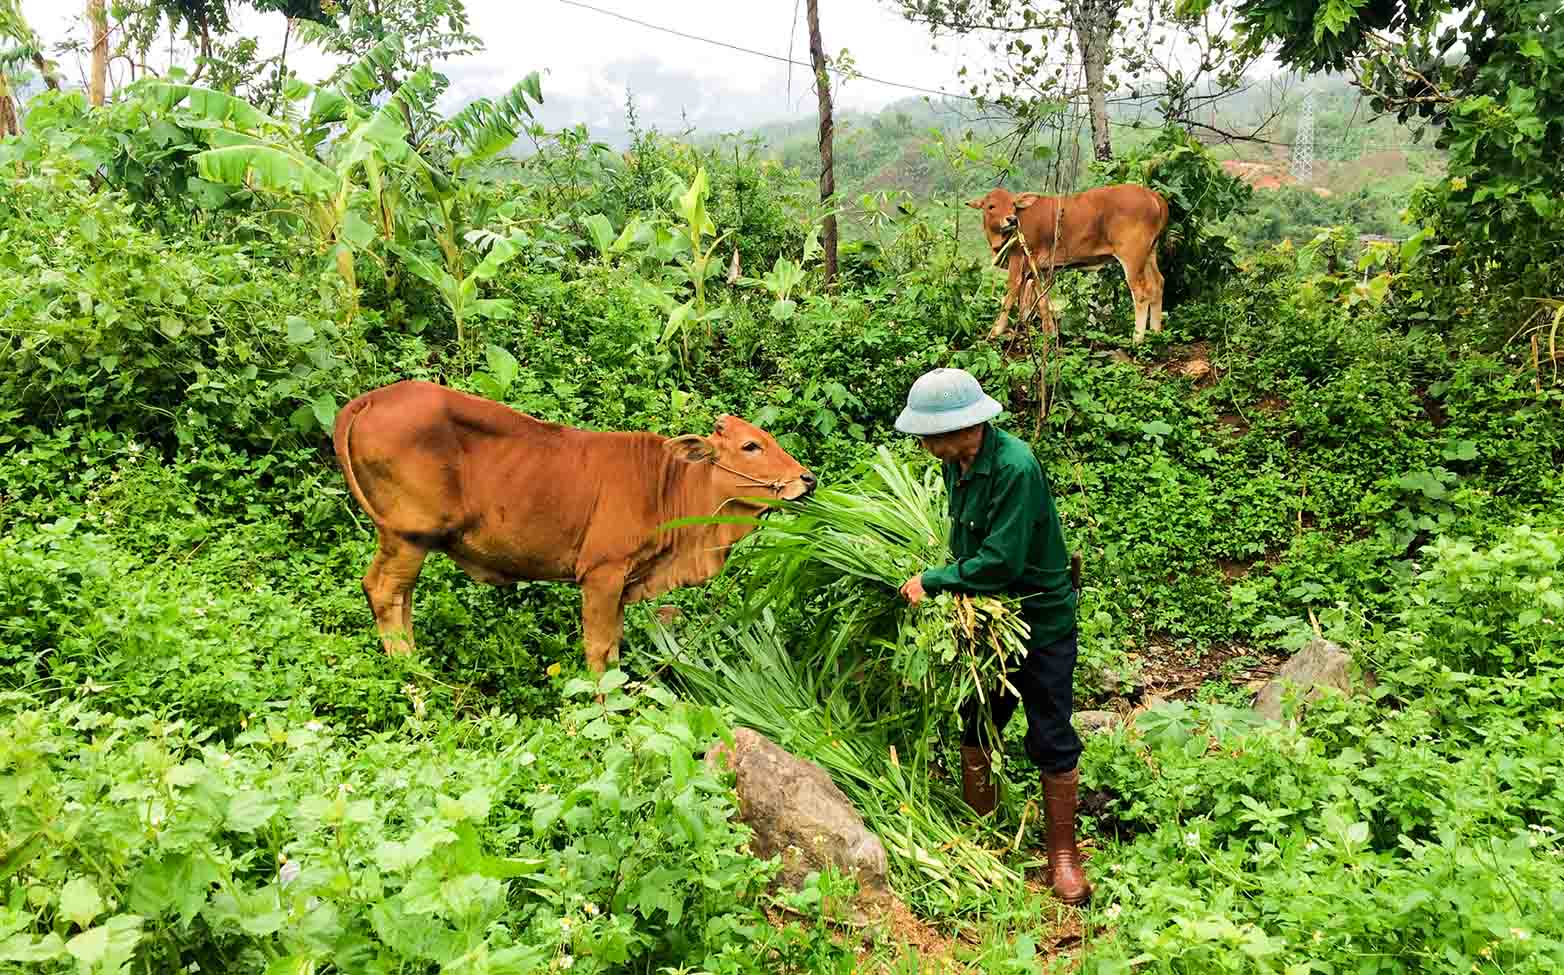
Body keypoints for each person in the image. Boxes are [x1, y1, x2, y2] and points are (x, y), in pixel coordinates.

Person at [893, 366, 1091, 905]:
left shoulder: (1015, 466)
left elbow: (1001, 561)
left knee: (1050, 730)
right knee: (979, 716)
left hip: (1039, 620)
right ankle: (979, 830)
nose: (925, 444)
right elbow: (968, 540)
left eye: (931, 435)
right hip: (987, 616)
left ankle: (1063, 858)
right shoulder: (957, 463)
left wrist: (933, 581)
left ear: (965, 427)